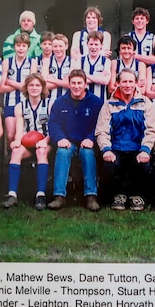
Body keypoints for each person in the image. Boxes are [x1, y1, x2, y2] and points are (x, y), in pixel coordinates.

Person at [95, 69, 155, 211]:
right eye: (124, 81)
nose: (127, 85)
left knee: (143, 164)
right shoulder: (109, 104)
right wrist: (106, 149)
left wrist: (146, 149)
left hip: (138, 148)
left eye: (131, 81)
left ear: (136, 83)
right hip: (116, 147)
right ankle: (119, 195)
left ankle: (137, 195)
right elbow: (102, 130)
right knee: (110, 164)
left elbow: (151, 130)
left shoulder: (145, 103)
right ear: (118, 83)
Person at [47, 69, 104, 211]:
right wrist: (60, 138)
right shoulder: (60, 102)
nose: (76, 86)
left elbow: (101, 124)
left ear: (85, 84)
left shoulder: (96, 102)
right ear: (69, 84)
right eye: (73, 83)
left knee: (87, 153)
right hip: (69, 141)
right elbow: (53, 124)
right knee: (63, 152)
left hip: (88, 141)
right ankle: (59, 196)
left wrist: (91, 138)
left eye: (80, 83)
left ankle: (91, 196)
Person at [4, 73, 50, 210]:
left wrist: (45, 140)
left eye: (37, 85)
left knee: (41, 152)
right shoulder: (20, 106)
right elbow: (19, 129)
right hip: (28, 142)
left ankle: (40, 195)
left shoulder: (49, 104)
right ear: (26, 87)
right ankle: (12, 194)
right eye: (31, 85)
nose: (34, 88)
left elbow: (54, 128)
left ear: (42, 87)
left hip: (45, 141)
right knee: (16, 151)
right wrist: (17, 141)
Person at [0, 32, 38, 145]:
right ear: (14, 47)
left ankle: (23, 161)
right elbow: (1, 88)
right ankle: (11, 158)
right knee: (11, 135)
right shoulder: (7, 62)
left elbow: (31, 87)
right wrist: (22, 86)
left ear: (28, 47)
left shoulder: (32, 62)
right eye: (18, 45)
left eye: (24, 46)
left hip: (26, 103)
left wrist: (10, 82)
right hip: (10, 103)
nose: (21, 49)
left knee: (25, 134)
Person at [73, 30, 110, 101]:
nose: (93, 47)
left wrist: (85, 75)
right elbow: (77, 80)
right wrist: (99, 76)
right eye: (91, 44)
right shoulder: (80, 60)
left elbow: (105, 81)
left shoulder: (106, 61)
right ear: (87, 44)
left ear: (101, 45)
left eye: (96, 44)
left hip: (100, 101)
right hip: (82, 101)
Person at [43, 33, 72, 105]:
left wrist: (52, 80)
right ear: (52, 47)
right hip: (50, 101)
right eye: (55, 46)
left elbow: (70, 84)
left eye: (60, 46)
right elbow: (43, 85)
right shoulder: (47, 61)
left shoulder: (73, 62)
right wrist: (63, 82)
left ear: (66, 46)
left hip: (68, 101)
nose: (58, 49)